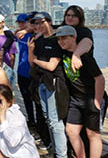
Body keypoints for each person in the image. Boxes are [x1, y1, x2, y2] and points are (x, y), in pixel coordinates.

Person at [56, 25, 104, 158]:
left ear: (74, 37)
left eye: (64, 38)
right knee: (71, 131)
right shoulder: (64, 54)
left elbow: (100, 79)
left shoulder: (85, 57)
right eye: (59, 39)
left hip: (91, 98)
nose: (61, 42)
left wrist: (97, 102)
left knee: (92, 134)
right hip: (76, 100)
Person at [28, 12, 68, 158]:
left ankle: (62, 154)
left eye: (41, 22)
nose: (39, 26)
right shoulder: (38, 41)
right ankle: (55, 149)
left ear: (49, 22)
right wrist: (31, 50)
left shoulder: (56, 40)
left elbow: (51, 66)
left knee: (55, 120)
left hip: (54, 83)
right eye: (36, 23)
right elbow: (31, 62)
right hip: (41, 82)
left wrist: (36, 60)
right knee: (48, 118)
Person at [0, 85, 39, 158]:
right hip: (6, 152)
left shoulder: (17, 116)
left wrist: (3, 119)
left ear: (8, 102)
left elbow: (13, 142)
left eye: (0, 101)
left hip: (22, 154)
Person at [14, 13, 36, 127]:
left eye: (23, 22)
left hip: (32, 71)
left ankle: (39, 124)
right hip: (21, 70)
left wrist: (26, 30)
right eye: (19, 22)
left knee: (35, 100)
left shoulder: (34, 35)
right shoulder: (19, 34)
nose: (21, 24)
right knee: (25, 98)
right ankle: (31, 120)